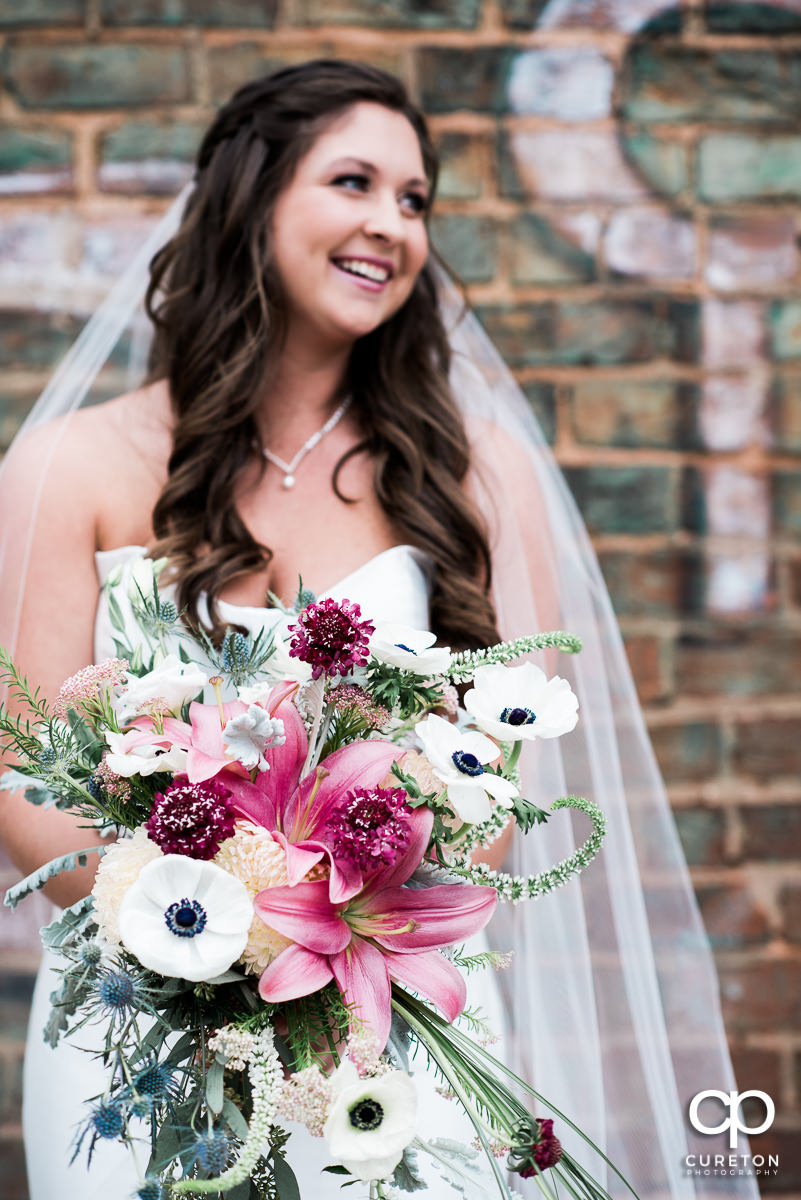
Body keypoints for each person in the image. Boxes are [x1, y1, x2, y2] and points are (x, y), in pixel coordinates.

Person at [0, 59, 757, 1200]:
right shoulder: (78, 466)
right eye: (354, 182)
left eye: (414, 201)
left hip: (394, 1032)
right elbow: (20, 768)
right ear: (250, 202)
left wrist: (327, 945)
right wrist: (207, 953)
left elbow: (495, 802)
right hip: (142, 1040)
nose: (391, 225)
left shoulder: (474, 477)